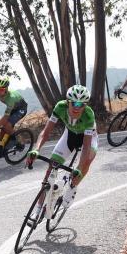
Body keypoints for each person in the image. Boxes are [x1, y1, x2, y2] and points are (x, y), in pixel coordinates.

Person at [25, 85, 97, 216]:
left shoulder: (88, 115)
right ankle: (39, 208)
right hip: (70, 135)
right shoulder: (60, 107)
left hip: (88, 138)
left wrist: (79, 168)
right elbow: (45, 133)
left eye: (81, 104)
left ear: (85, 105)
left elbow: (86, 146)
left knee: (86, 162)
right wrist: (36, 150)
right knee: (51, 167)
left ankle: (72, 187)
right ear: (68, 102)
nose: (77, 107)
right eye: (74, 103)